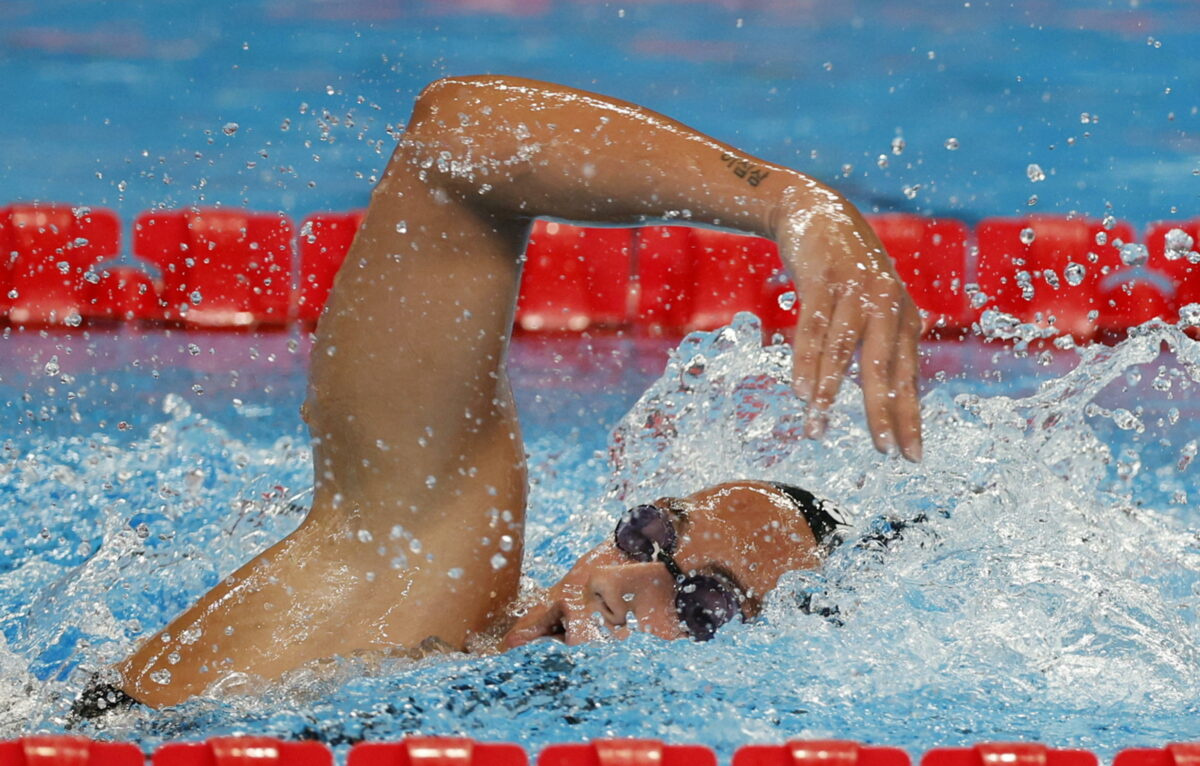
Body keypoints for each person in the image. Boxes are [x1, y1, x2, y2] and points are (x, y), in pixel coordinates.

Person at [78, 75, 922, 715]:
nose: (629, 583)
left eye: (703, 605)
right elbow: (453, 144)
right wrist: (788, 201)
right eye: (651, 532)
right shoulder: (421, 571)